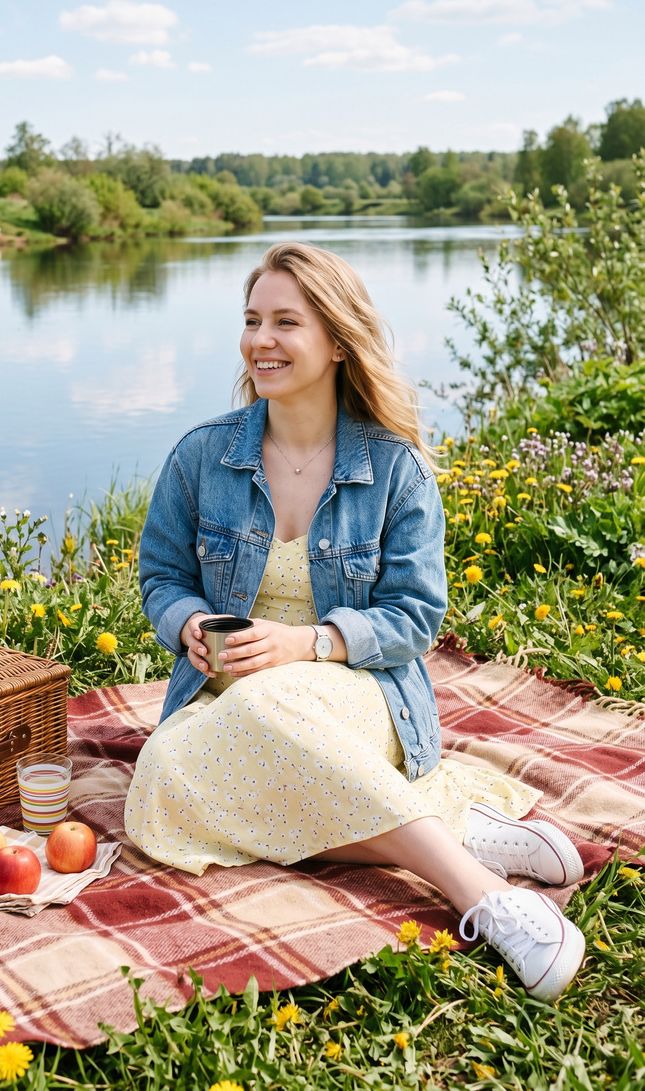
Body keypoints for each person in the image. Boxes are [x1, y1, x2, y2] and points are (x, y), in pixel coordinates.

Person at [125, 241, 586, 1003]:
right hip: (220, 701)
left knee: (264, 704)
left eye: (285, 322)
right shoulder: (201, 458)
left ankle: (479, 894)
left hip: (360, 694)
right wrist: (189, 626)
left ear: (337, 340)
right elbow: (161, 578)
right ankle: (453, 827)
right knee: (158, 787)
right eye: (251, 320)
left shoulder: (396, 468)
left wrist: (309, 642)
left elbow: (414, 617)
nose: (260, 341)